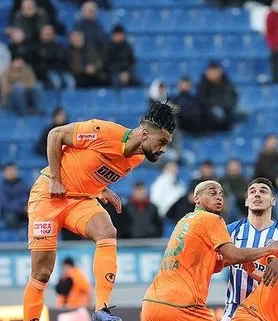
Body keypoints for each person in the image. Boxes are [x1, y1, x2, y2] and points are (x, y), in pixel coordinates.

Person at [23, 102, 178, 321]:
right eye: (162, 141)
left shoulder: (137, 157)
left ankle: (101, 310)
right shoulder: (103, 131)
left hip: (80, 200)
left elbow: (90, 165)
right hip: (50, 196)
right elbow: (55, 135)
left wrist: (101, 189)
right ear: (144, 133)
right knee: (42, 273)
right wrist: (56, 179)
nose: (163, 149)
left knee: (106, 231)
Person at [141, 180, 278, 321]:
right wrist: (269, 249)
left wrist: (247, 260)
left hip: (152, 303)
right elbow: (234, 255)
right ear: (196, 198)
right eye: (212, 193)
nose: (219, 197)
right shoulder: (212, 220)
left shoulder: (185, 220)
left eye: (221, 194)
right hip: (182, 304)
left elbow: (211, 262)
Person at [222, 177, 278, 320]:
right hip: (234, 310)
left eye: (263, 191)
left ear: (273, 201)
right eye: (252, 191)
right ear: (246, 201)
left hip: (269, 314)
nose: (257, 194)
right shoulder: (230, 230)